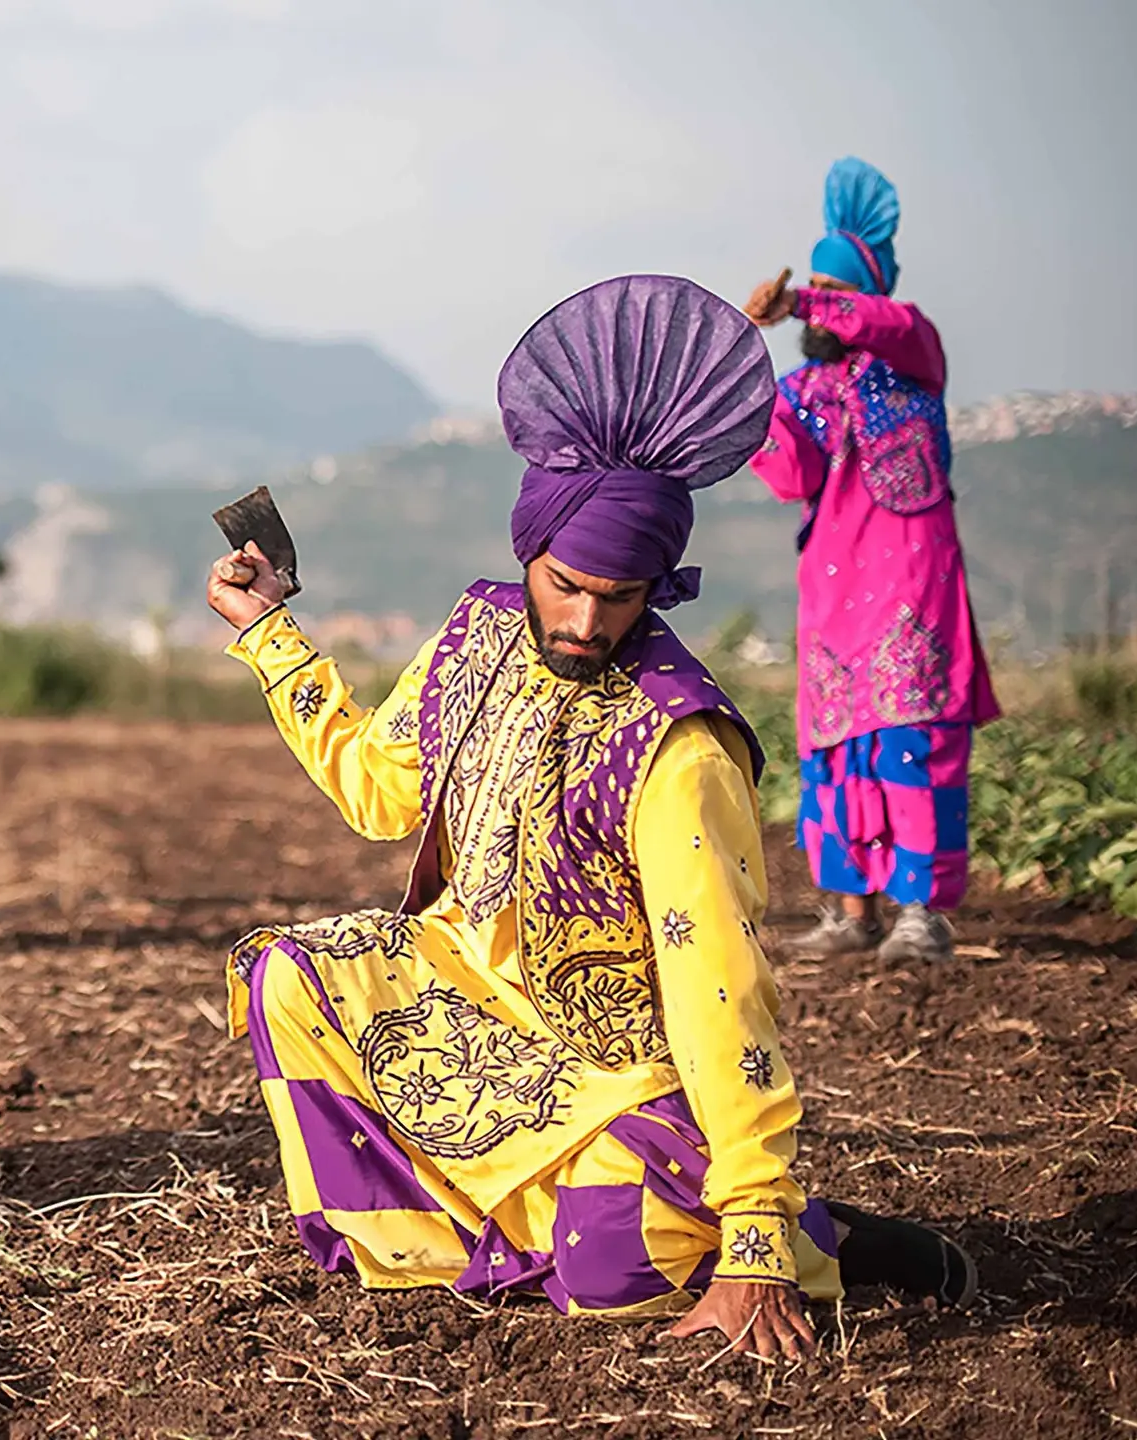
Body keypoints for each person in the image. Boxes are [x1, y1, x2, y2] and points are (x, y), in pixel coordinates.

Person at [207, 276, 974, 1356]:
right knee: (290, 973)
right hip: (469, 1009)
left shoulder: (679, 747)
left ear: (657, 584)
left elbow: (722, 987)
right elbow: (379, 793)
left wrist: (752, 1232)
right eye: (566, 585)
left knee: (615, 1267)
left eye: (621, 597)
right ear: (528, 550)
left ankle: (807, 1237)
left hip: (616, 1074)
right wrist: (270, 636)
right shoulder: (475, 636)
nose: (584, 620)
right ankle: (505, 1227)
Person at [745, 157, 997, 964]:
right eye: (814, 289)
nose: (820, 308)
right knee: (838, 754)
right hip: (832, 590)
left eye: (835, 290)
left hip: (912, 592)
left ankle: (922, 915)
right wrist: (744, 384)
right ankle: (853, 914)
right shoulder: (802, 389)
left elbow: (888, 326)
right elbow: (791, 476)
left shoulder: (914, 355)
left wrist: (804, 299)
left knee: (911, 745)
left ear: (866, 296)